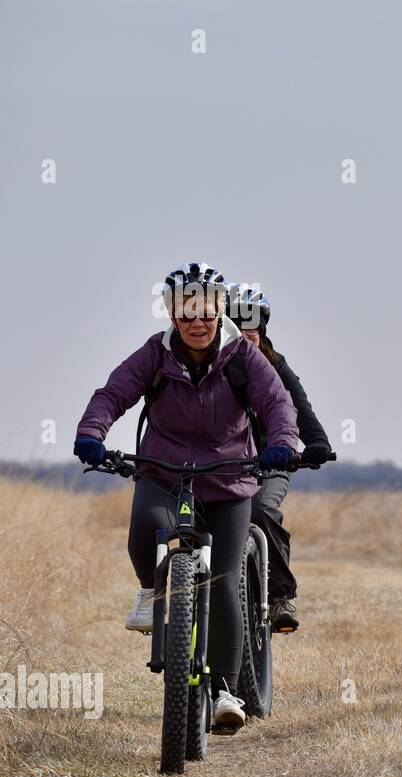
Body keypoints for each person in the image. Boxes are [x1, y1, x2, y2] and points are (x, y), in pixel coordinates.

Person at [73, 262, 300, 735]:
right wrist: (92, 432)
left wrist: (281, 443)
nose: (198, 322)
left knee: (222, 581)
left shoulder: (242, 355)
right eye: (187, 313)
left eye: (207, 313)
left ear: (220, 312)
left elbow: (277, 403)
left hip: (229, 478)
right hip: (164, 471)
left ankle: (224, 691)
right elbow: (113, 394)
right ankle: (154, 591)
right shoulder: (154, 355)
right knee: (143, 535)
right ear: (172, 315)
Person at [226, 283, 333, 633]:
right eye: (236, 324)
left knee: (261, 511)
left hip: (271, 460)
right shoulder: (215, 365)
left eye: (252, 325)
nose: (245, 332)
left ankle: (279, 596)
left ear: (263, 327)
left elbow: (299, 407)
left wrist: (316, 442)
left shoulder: (275, 364)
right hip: (223, 461)